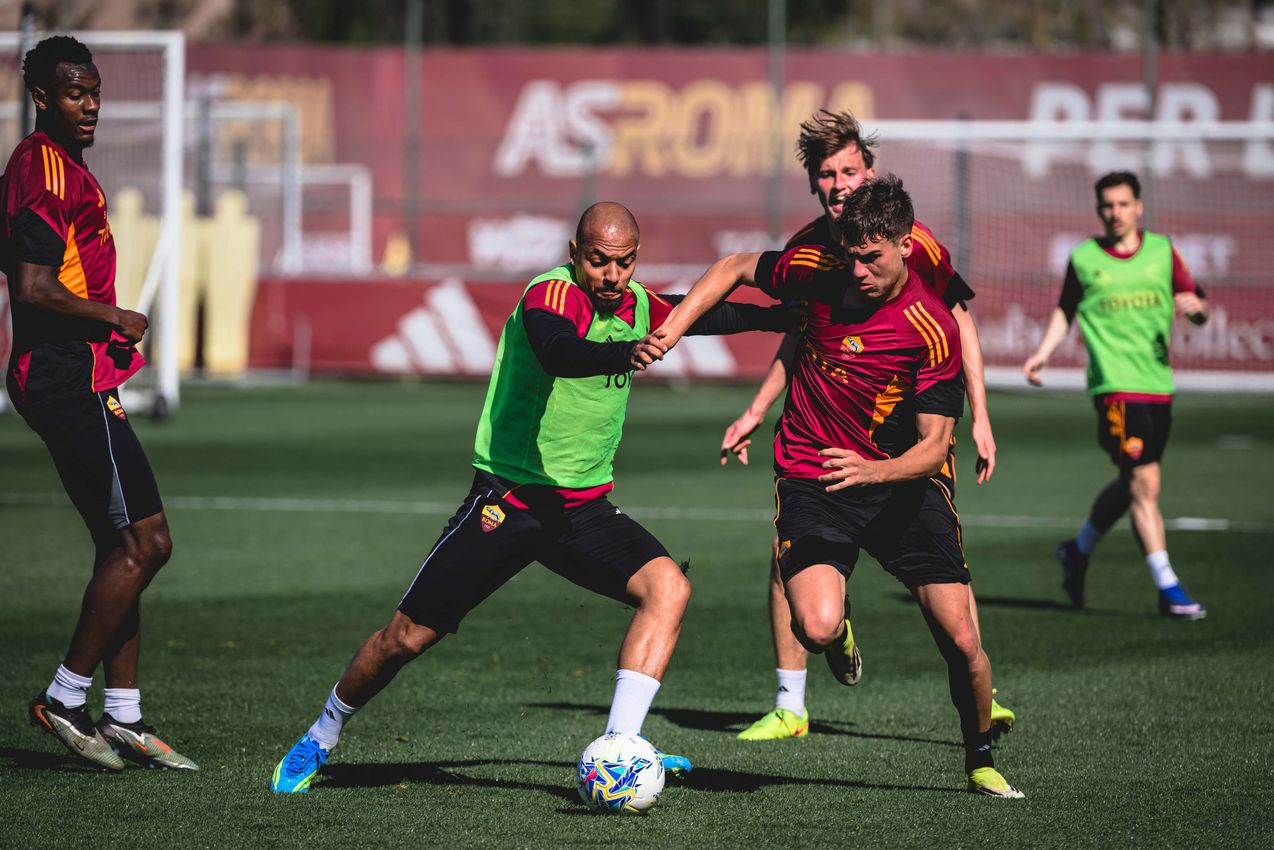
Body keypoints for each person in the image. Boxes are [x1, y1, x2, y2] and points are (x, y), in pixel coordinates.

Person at [269, 201, 792, 794]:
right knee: (406, 637)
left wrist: (785, 316)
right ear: (575, 256)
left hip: (581, 511)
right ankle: (322, 734)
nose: (611, 276)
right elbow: (555, 349)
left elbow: (708, 315)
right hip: (508, 501)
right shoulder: (552, 295)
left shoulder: (639, 303)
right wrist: (625, 353)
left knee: (668, 588)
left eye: (622, 264)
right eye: (598, 262)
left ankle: (620, 747)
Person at [658, 175, 1023, 797]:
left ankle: (981, 757)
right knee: (817, 627)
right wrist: (673, 329)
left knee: (962, 638)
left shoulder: (933, 328)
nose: (857, 270)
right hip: (814, 473)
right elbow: (736, 266)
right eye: (851, 255)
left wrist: (874, 469)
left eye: (872, 258)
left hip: (902, 485)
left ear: (907, 246)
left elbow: (934, 447)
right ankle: (839, 627)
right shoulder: (819, 269)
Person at [720, 110, 1013, 742]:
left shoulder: (914, 243)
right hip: (826, 441)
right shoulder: (808, 251)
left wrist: (981, 415)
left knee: (946, 580)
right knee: (792, 558)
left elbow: (956, 323)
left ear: (869, 174)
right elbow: (806, 337)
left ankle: (978, 693)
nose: (839, 183)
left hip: (907, 438)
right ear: (813, 184)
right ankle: (792, 702)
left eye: (849, 169)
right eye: (826, 173)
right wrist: (756, 410)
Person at [4, 36, 197, 771]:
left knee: (122, 548)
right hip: (66, 374)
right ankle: (63, 697)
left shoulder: (60, 165)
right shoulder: (43, 167)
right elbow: (30, 285)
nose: (90, 106)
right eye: (74, 94)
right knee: (147, 543)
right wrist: (112, 317)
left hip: (69, 371)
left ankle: (123, 717)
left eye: (94, 92)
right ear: (42, 98)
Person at [1023, 171, 1209, 619]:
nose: (1115, 213)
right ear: (1098, 209)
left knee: (1132, 484)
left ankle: (1078, 550)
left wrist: (1197, 309)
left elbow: (1197, 301)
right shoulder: (1085, 259)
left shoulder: (1163, 252)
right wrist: (1043, 354)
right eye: (1108, 205)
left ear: (1139, 206)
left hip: (1158, 387)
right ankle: (1168, 587)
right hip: (1114, 389)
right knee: (1146, 483)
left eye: (1124, 204)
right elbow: (1065, 310)